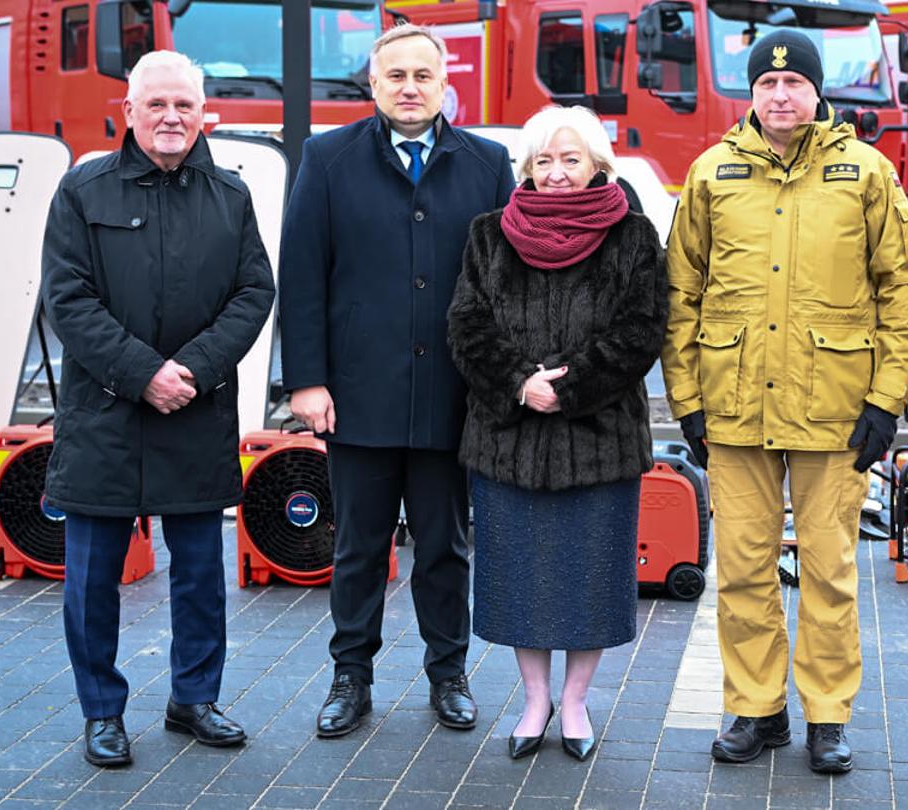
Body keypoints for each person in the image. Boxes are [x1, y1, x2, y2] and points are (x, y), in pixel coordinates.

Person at [662, 30, 908, 775]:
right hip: (735, 405)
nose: (782, 96)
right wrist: (687, 399)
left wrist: (885, 402)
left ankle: (828, 716)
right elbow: (679, 294)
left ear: (817, 92)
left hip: (835, 411)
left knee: (832, 570)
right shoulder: (711, 174)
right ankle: (755, 708)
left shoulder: (866, 174)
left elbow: (903, 295)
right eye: (768, 85)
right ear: (752, 94)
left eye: (795, 84)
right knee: (741, 569)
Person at [278, 23, 515, 739]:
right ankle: (351, 674)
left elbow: (506, 282)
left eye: (423, 76)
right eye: (395, 77)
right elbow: (302, 275)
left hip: (454, 396)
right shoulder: (328, 159)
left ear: (447, 85)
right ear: (373, 86)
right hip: (358, 397)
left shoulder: (487, 163)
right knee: (357, 548)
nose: (410, 88)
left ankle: (449, 674)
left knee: (445, 547)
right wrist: (307, 381)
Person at [41, 50, 275, 768]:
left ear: (206, 114)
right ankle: (102, 712)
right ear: (129, 113)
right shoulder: (83, 192)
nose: (172, 117)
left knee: (201, 575)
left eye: (185, 105)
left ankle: (194, 699)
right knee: (92, 581)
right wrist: (143, 374)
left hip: (194, 414)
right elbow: (67, 300)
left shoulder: (230, 196)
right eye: (157, 105)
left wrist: (194, 373)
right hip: (106, 417)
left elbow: (253, 294)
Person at [448, 105, 668, 763]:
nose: (557, 173)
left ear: (598, 163)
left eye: (570, 159)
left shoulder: (632, 236)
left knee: (590, 583)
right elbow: (467, 326)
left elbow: (640, 332)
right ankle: (534, 699)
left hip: (597, 441)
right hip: (508, 440)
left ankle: (575, 702)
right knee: (520, 581)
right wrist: (521, 383)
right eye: (543, 161)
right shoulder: (489, 235)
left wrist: (567, 390)